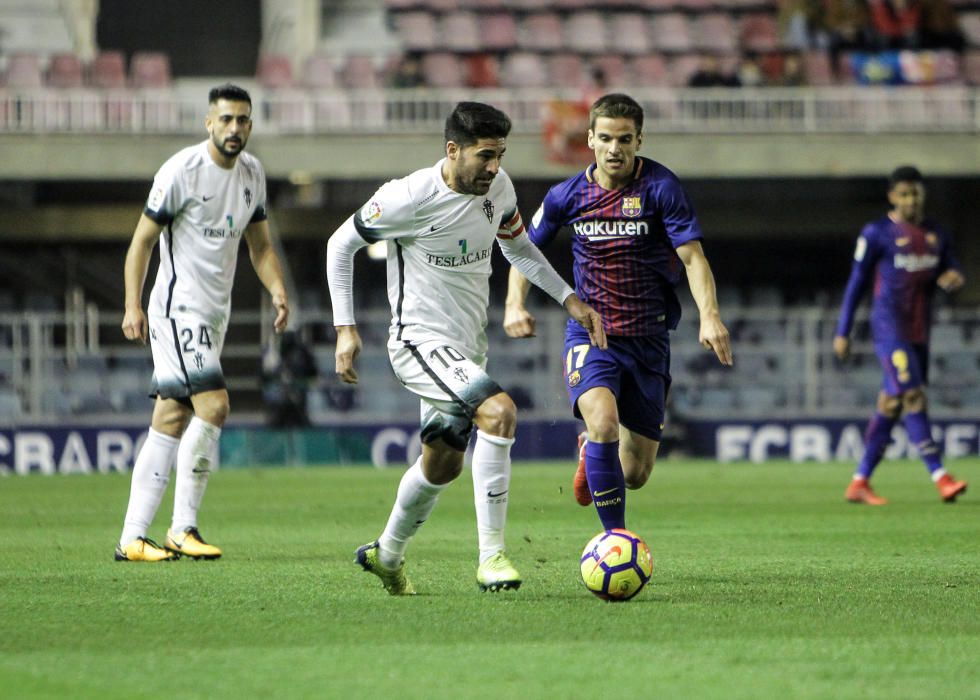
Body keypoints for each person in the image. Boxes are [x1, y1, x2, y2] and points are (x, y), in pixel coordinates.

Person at [326, 101, 605, 595]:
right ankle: (492, 556)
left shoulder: (498, 187)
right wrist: (345, 328)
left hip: (466, 348)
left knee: (442, 463)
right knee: (499, 414)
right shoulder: (406, 198)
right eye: (484, 156)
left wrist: (568, 298)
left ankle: (386, 554)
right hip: (417, 341)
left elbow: (517, 246)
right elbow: (339, 245)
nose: (494, 167)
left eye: (500, 154)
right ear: (452, 150)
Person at [504, 93, 732, 533]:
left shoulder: (661, 188)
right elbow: (522, 249)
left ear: (639, 140)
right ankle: (615, 539)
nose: (615, 148)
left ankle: (588, 449)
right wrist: (515, 303)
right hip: (592, 334)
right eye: (605, 138)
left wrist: (710, 315)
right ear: (589, 138)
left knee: (635, 474)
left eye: (624, 139)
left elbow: (693, 258)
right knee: (605, 422)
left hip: (648, 339)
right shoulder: (565, 195)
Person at [116, 83, 290, 561]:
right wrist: (133, 305)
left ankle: (132, 538)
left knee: (171, 417)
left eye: (243, 120)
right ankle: (182, 528)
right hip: (177, 309)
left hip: (215, 313)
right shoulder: (182, 172)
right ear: (209, 123)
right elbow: (142, 243)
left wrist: (276, 287)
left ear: (251, 126)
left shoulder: (253, 174)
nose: (235, 128)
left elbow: (260, 246)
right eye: (226, 119)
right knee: (214, 406)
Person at [834, 165, 967, 505]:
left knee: (891, 403)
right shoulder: (877, 233)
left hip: (920, 330)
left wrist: (954, 276)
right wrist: (843, 330)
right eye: (904, 194)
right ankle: (941, 476)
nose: (910, 200)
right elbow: (856, 283)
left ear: (923, 195)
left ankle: (859, 481)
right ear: (893, 196)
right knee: (914, 397)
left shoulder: (938, 233)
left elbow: (952, 266)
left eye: (915, 193)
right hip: (888, 327)